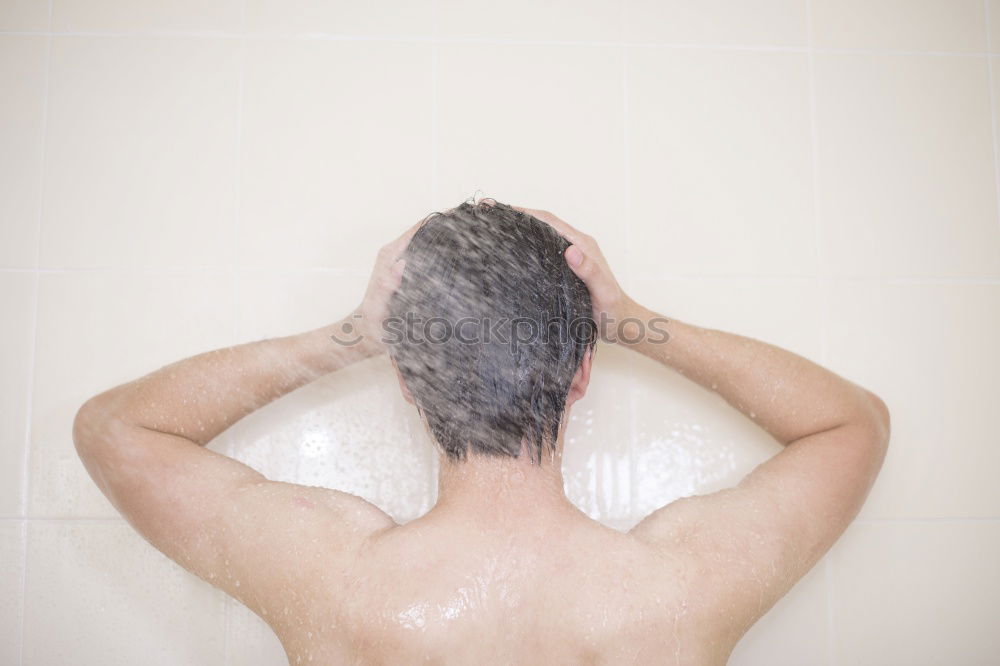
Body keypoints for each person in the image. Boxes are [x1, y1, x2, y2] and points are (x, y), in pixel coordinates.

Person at [73, 199, 890, 665]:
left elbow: (116, 429)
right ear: (581, 374)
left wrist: (355, 332)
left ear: (406, 381)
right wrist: (631, 321)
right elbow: (853, 423)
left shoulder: (333, 579)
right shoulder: (677, 591)